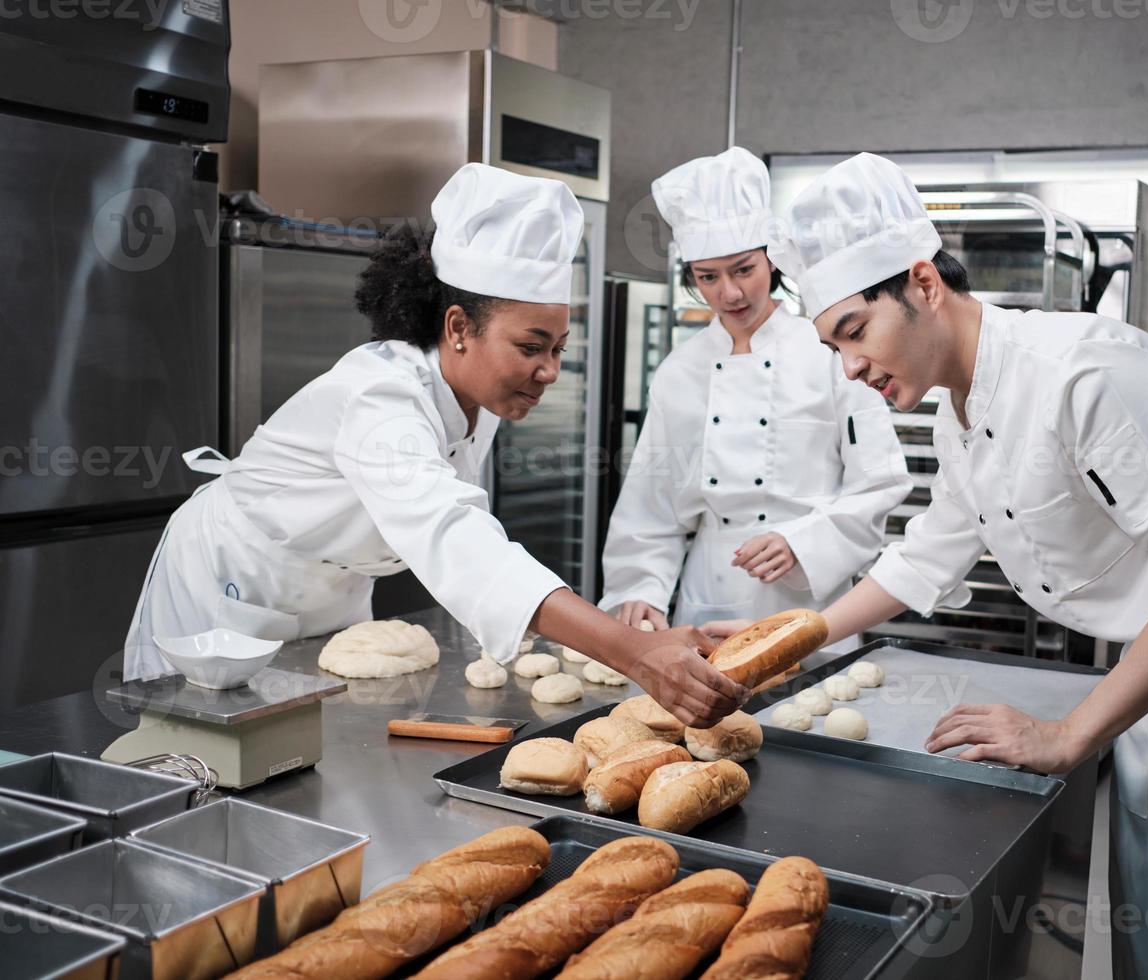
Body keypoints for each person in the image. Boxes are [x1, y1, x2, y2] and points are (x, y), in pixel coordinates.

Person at [712, 153, 1148, 978]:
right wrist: (790, 636)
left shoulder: (1086, 373)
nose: (852, 369)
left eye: (855, 333)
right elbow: (926, 557)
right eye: (833, 346)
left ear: (923, 283)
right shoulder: (963, 411)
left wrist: (1067, 734)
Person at [123, 163, 745, 727]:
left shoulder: (481, 393)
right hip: (232, 585)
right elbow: (452, 534)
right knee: (200, 758)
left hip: (331, 588)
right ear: (457, 328)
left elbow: (465, 532)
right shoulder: (382, 398)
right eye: (531, 348)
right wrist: (631, 650)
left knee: (323, 747)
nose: (550, 371)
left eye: (558, 349)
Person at [600, 147, 910, 649]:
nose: (729, 293)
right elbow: (650, 507)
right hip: (708, 598)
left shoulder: (830, 350)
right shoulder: (680, 372)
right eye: (708, 277)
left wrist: (803, 543)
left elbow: (880, 482)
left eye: (743, 269)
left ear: (772, 258)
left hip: (812, 601)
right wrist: (640, 591)